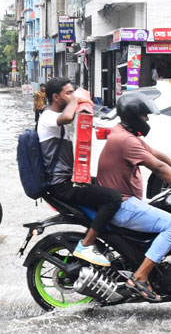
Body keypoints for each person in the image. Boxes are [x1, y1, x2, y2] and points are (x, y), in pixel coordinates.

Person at [96, 90, 171, 302]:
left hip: (123, 203)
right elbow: (158, 167)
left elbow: (157, 154)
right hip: (124, 206)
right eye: (144, 115)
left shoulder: (123, 132)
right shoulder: (126, 141)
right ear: (133, 115)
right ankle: (140, 277)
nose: (147, 119)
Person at [39, 77, 122, 266]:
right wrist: (78, 98)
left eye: (72, 92)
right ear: (55, 97)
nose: (71, 96)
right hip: (62, 185)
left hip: (68, 180)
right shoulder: (49, 117)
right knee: (113, 198)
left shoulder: (56, 119)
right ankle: (87, 244)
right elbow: (67, 117)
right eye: (67, 93)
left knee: (107, 187)